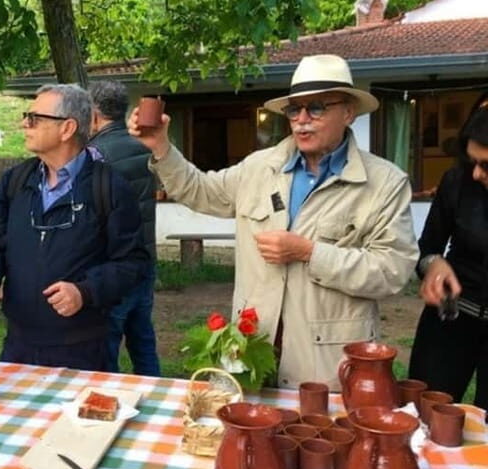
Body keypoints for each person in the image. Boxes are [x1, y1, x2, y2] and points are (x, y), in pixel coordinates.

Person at [130, 54, 418, 389]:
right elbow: (201, 191)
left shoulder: (384, 183)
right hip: (252, 347)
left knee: (317, 439)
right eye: (294, 110)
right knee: (247, 437)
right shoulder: (260, 167)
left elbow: (392, 271)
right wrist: (161, 147)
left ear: (349, 111)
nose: (302, 120)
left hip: (327, 361)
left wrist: (310, 252)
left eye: (317, 108)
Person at [0, 84, 149, 371]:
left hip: (84, 350)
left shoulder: (109, 187)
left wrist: (85, 291)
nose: (25, 124)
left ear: (67, 128)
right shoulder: (15, 182)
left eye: (34, 118)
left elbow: (132, 263)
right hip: (18, 346)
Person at [408, 102, 488, 412]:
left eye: (487, 165)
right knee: (424, 414)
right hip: (451, 318)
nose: (477, 172)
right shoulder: (457, 181)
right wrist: (434, 265)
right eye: (473, 161)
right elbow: (426, 248)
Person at [87, 80, 160, 376]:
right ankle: (158, 399)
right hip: (146, 257)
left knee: (107, 344)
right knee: (143, 340)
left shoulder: (93, 156)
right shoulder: (146, 148)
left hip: (113, 266)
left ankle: (108, 402)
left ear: (93, 114)